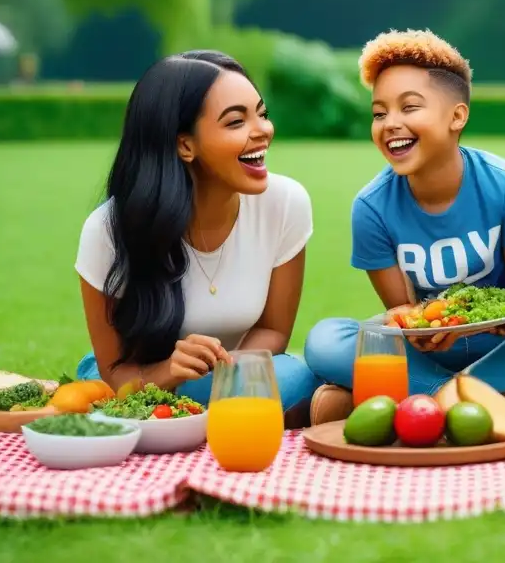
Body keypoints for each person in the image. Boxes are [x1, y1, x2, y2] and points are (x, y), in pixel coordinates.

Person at [303, 30, 505, 425]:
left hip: (502, 344)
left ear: (456, 116)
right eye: (379, 113)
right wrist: (419, 327)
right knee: (324, 341)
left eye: (409, 107)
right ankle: (490, 394)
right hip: (427, 351)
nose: (390, 123)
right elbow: (400, 310)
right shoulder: (371, 207)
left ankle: (423, 396)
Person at [74, 50, 322, 427]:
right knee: (113, 391)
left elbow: (274, 331)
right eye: (237, 121)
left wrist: (225, 374)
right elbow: (117, 372)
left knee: (294, 380)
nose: (263, 130)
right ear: (185, 145)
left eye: (263, 113)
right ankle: (198, 414)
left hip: (236, 371)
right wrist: (171, 371)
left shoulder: (285, 203)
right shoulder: (109, 231)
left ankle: (188, 415)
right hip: (142, 377)